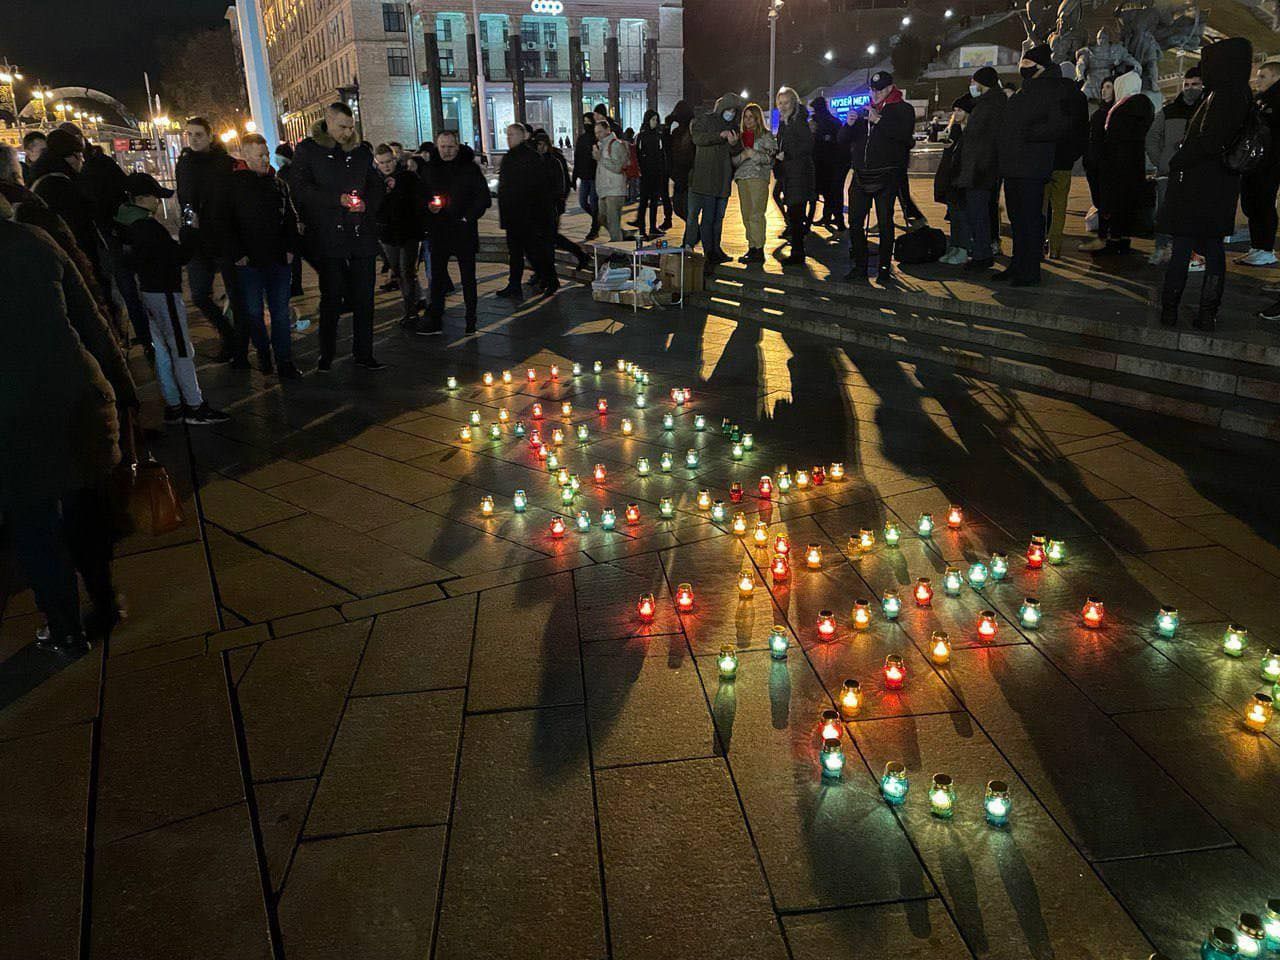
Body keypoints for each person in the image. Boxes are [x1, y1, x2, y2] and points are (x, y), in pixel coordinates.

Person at [1, 209, 139, 653]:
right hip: (74, 393)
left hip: (10, 413)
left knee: (33, 521)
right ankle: (103, 604)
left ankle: (63, 626)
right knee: (85, 507)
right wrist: (123, 385)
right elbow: (91, 319)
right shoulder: (35, 240)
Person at [117, 173, 229, 424]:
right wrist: (189, 231)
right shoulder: (147, 227)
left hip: (148, 291)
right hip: (164, 291)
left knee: (163, 352)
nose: (158, 202)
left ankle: (175, 404)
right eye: (155, 197)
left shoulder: (126, 223)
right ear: (142, 198)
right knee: (180, 349)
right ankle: (194, 405)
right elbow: (178, 257)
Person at [1161, 37, 1254, 330]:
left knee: (1185, 246)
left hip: (1202, 185)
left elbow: (1209, 141)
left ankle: (1173, 310)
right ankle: (1205, 313)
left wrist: (1179, 159)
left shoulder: (1226, 95)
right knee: (1211, 249)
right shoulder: (1237, 93)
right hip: (1217, 188)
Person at [291, 102, 386, 371]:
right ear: (328, 123)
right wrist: (336, 200)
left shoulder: (360, 152)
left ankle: (364, 352)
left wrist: (367, 204)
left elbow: (375, 185)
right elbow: (299, 188)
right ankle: (327, 353)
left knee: (364, 298)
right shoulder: (309, 151)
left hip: (361, 235)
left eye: (350, 127)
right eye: (342, 127)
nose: (347, 132)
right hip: (329, 237)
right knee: (331, 297)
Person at [224, 134, 301, 379]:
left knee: (279, 312)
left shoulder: (277, 184)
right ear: (245, 155)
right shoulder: (234, 186)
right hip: (250, 262)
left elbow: (289, 217)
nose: (266, 159)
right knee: (254, 312)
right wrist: (238, 253)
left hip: (278, 259)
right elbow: (225, 223)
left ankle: (284, 360)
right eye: (260, 155)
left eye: (266, 154)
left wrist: (290, 249)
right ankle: (263, 351)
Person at [995, 45, 1069, 286]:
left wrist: (1024, 132)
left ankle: (1029, 270)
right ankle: (1017, 264)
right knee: (1017, 221)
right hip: (1014, 165)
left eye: (1028, 64)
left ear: (1040, 67)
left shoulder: (1052, 90)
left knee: (1029, 220)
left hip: (1031, 166)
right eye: (1022, 64)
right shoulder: (1025, 91)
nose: (1022, 68)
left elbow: (1057, 126)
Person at [175, 116, 241, 363]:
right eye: (189, 134)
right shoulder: (184, 164)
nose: (193, 139)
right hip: (196, 237)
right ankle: (228, 333)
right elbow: (184, 197)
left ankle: (237, 344)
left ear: (210, 136)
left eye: (198, 135)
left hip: (223, 236)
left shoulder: (226, 164)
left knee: (235, 293)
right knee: (199, 294)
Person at [839, 71, 915, 285]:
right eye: (872, 90)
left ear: (891, 88)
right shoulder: (865, 110)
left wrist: (879, 120)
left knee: (884, 222)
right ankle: (860, 266)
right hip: (861, 175)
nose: (875, 94)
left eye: (880, 89)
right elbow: (843, 140)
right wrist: (849, 124)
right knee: (855, 222)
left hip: (887, 175)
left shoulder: (903, 109)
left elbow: (905, 138)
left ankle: (883, 267)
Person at [416, 130, 491, 334]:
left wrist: (468, 217)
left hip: (463, 230)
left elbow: (483, 198)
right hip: (439, 231)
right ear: (437, 147)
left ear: (457, 147)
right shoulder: (430, 169)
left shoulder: (469, 169)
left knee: (468, 277)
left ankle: (471, 317)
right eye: (443, 147)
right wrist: (428, 207)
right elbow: (421, 196)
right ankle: (435, 318)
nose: (447, 151)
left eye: (450, 147)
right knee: (437, 277)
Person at [1082, 70, 1154, 256]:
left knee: (1114, 204)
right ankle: (1121, 240)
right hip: (1130, 166)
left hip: (1115, 167)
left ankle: (1113, 242)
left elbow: (1113, 143)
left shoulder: (1122, 112)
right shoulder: (1141, 108)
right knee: (1123, 205)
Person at [1145, 67, 1203, 265]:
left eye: (1195, 84)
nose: (1190, 89)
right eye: (1187, 85)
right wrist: (1161, 161)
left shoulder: (1207, 111)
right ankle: (1163, 248)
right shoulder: (1169, 111)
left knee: (1191, 214)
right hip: (1169, 172)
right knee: (1164, 213)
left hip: (1195, 173)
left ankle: (1189, 252)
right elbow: (1152, 138)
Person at [496, 122, 558, 301]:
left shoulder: (530, 157)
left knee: (533, 252)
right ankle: (515, 285)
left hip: (527, 216)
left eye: (513, 135)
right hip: (514, 215)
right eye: (507, 135)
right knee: (516, 253)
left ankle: (549, 279)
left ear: (522, 136)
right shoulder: (511, 157)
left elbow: (538, 188)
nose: (509, 138)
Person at [686, 92, 745, 269]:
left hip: (723, 180)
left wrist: (734, 143)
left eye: (734, 111)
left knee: (719, 218)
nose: (731, 114)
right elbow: (698, 138)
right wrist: (719, 135)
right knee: (708, 218)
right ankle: (709, 251)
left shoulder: (734, 126)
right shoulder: (706, 120)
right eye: (729, 110)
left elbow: (736, 152)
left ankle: (716, 249)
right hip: (706, 179)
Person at [956, 67, 1006, 272]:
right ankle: (981, 252)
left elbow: (984, 140)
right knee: (979, 212)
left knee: (978, 213)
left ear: (982, 83)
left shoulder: (990, 105)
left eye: (973, 81)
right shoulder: (990, 103)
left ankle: (982, 254)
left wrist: (978, 167)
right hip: (980, 167)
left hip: (980, 169)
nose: (971, 85)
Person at [372, 142, 427, 326]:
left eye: (389, 161)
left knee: (407, 271)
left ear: (395, 160)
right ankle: (412, 304)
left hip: (408, 232)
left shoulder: (408, 177)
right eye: (382, 163)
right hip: (387, 234)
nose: (386, 166)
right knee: (397, 270)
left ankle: (410, 311)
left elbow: (419, 200)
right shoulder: (375, 181)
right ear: (376, 163)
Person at [1043, 63, 1089, 259]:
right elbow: (1083, 132)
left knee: (1041, 205)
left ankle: (1038, 243)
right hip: (1065, 161)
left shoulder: (1048, 94)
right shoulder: (1080, 98)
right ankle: (1055, 248)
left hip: (1045, 158)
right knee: (1060, 205)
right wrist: (1073, 154)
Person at [1237, 60, 1280, 266]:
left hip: (1270, 162)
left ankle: (1265, 248)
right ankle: (1257, 247)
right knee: (1252, 203)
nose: (1257, 80)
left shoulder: (1274, 102)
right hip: (1255, 162)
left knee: (1263, 203)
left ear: (1276, 77)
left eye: (1263, 76)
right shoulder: (1259, 100)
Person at [533, 131, 589, 273]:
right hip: (543, 207)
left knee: (551, 238)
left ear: (545, 144)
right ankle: (580, 255)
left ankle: (548, 273)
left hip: (552, 206)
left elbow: (561, 184)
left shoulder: (554, 160)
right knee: (551, 237)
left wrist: (558, 202)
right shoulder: (538, 160)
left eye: (540, 144)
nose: (538, 147)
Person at [774, 86, 815, 265]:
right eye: (780, 103)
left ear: (793, 102)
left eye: (786, 102)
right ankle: (797, 250)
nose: (783, 106)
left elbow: (807, 145)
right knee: (794, 213)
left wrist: (787, 154)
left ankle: (798, 253)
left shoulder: (798, 121)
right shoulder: (786, 122)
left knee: (796, 213)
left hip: (799, 174)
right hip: (789, 174)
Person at [732, 102, 777, 264]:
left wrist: (754, 154)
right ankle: (751, 246)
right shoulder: (740, 137)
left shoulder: (766, 136)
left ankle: (759, 249)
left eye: (751, 117)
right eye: (746, 117)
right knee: (746, 215)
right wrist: (742, 156)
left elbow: (771, 159)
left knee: (756, 214)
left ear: (758, 118)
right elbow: (733, 161)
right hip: (742, 178)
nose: (748, 120)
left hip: (758, 177)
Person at [935, 95, 973, 265]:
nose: (956, 114)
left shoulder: (971, 130)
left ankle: (963, 248)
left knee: (962, 215)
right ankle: (956, 246)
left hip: (963, 178)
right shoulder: (956, 130)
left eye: (960, 111)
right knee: (955, 215)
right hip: (952, 178)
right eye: (955, 111)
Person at [1084, 77, 1115, 235]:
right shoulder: (1098, 113)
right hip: (1094, 163)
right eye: (1103, 87)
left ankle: (1105, 235)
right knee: (1099, 200)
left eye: (1108, 87)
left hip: (1106, 164)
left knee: (1105, 201)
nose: (1104, 90)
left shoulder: (1114, 113)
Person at [810, 97, 847, 230]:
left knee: (830, 194)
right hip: (833, 164)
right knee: (831, 194)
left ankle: (838, 221)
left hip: (824, 164)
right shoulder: (833, 121)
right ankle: (830, 218)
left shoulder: (820, 122)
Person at [275, 142, 306, 296]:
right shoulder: (298, 171)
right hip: (302, 215)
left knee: (295, 254)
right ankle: (297, 284)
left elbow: (290, 197)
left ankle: (295, 285)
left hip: (294, 217)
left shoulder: (283, 175)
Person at [635, 110, 672, 238]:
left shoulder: (658, 135)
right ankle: (642, 229)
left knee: (654, 202)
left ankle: (652, 227)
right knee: (644, 202)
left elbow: (662, 154)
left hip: (657, 174)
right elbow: (638, 155)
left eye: (656, 120)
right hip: (645, 174)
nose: (655, 122)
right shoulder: (641, 136)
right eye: (653, 120)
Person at [593, 116, 630, 242]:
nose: (598, 135)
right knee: (602, 218)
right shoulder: (601, 145)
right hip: (604, 189)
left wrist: (600, 159)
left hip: (615, 190)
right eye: (596, 133)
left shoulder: (615, 145)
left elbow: (618, 167)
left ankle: (618, 247)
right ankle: (621, 237)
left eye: (600, 132)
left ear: (607, 130)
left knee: (613, 221)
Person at [666, 100, 696, 222]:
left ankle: (691, 236)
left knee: (686, 208)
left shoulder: (692, 131)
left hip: (689, 174)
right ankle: (695, 233)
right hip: (678, 174)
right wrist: (667, 126)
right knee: (679, 208)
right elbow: (668, 147)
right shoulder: (676, 132)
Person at [572, 112, 600, 240]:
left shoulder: (596, 138)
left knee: (594, 203)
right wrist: (574, 176)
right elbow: (577, 157)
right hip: (584, 176)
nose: (587, 124)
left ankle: (594, 227)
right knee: (583, 202)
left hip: (595, 176)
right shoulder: (582, 139)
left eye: (589, 121)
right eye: (585, 121)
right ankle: (598, 220)